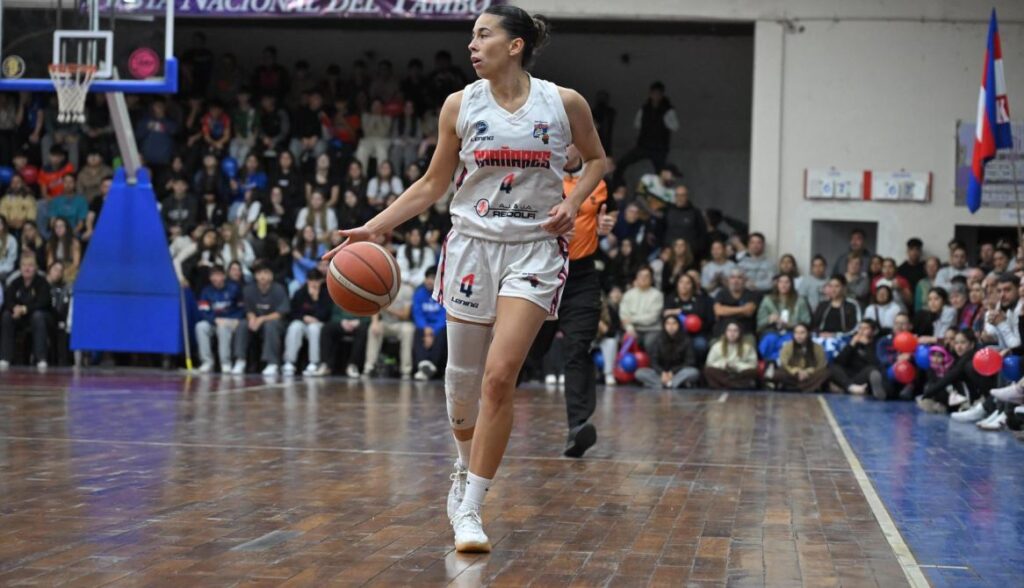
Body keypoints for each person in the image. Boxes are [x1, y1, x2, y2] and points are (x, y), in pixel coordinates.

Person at [321, 5, 604, 553]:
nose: (471, 45)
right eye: (471, 36)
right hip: (472, 247)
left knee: (499, 379)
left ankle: (471, 507)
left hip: (533, 251)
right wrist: (373, 230)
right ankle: (460, 463)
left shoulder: (564, 102)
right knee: (462, 383)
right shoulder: (460, 105)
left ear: (515, 44)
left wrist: (576, 200)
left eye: (482, 34)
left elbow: (595, 160)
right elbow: (432, 184)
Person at [521, 142, 616, 457]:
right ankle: (492, 402)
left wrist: (605, 229)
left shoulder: (598, 182)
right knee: (531, 348)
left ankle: (578, 428)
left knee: (578, 348)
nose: (568, 147)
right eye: (562, 142)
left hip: (582, 277)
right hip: (545, 272)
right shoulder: (540, 178)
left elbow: (605, 219)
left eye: (574, 142)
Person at [612, 81, 679, 188]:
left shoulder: (668, 110)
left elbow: (675, 126)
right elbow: (637, 124)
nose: (656, 96)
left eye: (658, 94)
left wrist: (663, 122)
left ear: (662, 95)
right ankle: (617, 186)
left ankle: (663, 194)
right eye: (654, 93)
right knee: (622, 163)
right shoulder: (644, 109)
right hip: (644, 145)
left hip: (659, 148)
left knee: (662, 173)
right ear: (650, 94)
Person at [232, 261, 289, 375]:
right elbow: (248, 309)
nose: (262, 276)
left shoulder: (279, 289)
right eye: (259, 273)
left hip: (274, 323)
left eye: (266, 273)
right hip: (256, 322)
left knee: (271, 325)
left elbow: (281, 313)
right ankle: (240, 360)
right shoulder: (248, 289)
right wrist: (252, 318)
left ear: (271, 275)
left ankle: (272, 363)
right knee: (243, 324)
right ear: (255, 276)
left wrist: (262, 319)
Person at [0, 253, 51, 369]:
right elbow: (8, 300)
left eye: (30, 265)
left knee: (37, 316)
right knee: (7, 316)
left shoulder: (42, 282)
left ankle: (41, 358)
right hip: (20, 317)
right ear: (20, 267)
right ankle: (5, 357)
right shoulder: (15, 282)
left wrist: (25, 309)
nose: (27, 268)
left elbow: (43, 302)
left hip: (39, 317)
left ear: (36, 268)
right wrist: (14, 308)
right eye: (24, 265)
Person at [195, 265, 244, 373]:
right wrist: (214, 320)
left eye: (218, 275)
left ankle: (225, 363)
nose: (216, 279)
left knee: (222, 328)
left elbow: (241, 307)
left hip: (230, 321)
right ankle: (207, 361)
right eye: (213, 276)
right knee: (200, 326)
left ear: (224, 276)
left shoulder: (234, 288)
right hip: (214, 321)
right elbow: (203, 311)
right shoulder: (206, 291)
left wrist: (236, 319)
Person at [282, 269, 331, 376]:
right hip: (302, 322)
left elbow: (326, 314)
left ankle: (314, 363)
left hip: (319, 324)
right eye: (311, 280)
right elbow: (292, 313)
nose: (313, 283)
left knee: (314, 328)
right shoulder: (300, 293)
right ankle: (289, 362)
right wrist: (303, 317)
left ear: (321, 281)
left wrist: (315, 298)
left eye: (316, 280)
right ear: (307, 281)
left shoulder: (326, 294)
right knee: (294, 327)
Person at [634, 314, 699, 388]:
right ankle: (670, 384)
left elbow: (690, 361)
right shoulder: (658, 339)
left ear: (678, 325)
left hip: (678, 373)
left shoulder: (686, 340)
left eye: (674, 323)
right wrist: (662, 373)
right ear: (664, 325)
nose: (671, 326)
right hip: (661, 373)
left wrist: (673, 372)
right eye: (668, 323)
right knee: (639, 373)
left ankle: (667, 384)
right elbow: (653, 361)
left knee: (694, 372)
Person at [828, 319, 882, 396]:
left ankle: (845, 388)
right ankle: (850, 387)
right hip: (847, 376)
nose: (861, 331)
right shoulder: (853, 342)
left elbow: (875, 363)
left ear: (873, 331)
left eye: (865, 328)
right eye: (860, 328)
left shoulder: (876, 344)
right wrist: (851, 345)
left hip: (862, 376)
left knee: (872, 370)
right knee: (832, 367)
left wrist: (867, 346)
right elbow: (839, 362)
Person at [413, 266, 448, 381]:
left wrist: (432, 331)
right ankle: (423, 364)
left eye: (433, 278)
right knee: (418, 331)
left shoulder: (444, 294)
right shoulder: (419, 293)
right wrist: (425, 328)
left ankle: (432, 365)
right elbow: (417, 314)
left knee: (443, 332)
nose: (429, 281)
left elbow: (444, 316)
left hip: (438, 327)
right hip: (425, 326)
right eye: (427, 277)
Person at [771, 323, 829, 392]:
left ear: (808, 334)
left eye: (802, 333)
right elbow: (784, 364)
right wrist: (797, 371)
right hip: (794, 375)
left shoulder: (817, 348)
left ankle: (798, 388)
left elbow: (821, 364)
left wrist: (808, 372)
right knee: (778, 373)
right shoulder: (787, 346)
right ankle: (807, 388)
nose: (799, 336)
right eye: (796, 333)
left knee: (825, 373)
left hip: (810, 376)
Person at [619, 265, 664, 351]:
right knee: (627, 339)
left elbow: (652, 318)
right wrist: (630, 329)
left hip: (652, 329)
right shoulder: (628, 294)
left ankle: (653, 364)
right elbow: (624, 315)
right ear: (636, 278)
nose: (643, 278)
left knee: (649, 343)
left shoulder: (657, 295)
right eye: (641, 276)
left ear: (651, 279)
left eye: (647, 276)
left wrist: (631, 319)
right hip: (633, 328)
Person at [703, 320, 758, 389]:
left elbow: (753, 365)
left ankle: (726, 385)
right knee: (708, 370)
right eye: (729, 330)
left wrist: (738, 366)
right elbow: (709, 363)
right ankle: (735, 385)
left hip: (739, 373)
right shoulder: (717, 346)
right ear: (725, 332)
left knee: (753, 372)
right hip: (723, 372)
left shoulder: (747, 347)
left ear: (739, 333)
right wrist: (723, 364)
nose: (732, 333)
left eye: (735, 331)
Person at [713, 268, 757, 337]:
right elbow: (719, 311)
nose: (735, 281)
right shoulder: (721, 293)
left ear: (744, 280)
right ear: (728, 280)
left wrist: (726, 310)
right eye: (732, 277)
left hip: (745, 332)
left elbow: (749, 312)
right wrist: (742, 309)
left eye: (739, 278)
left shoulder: (750, 294)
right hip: (722, 332)